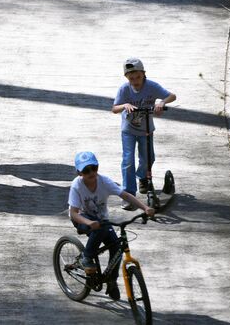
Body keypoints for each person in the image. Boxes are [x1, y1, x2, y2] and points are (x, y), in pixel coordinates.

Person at [68, 151, 155, 301]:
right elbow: (74, 213)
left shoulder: (104, 181)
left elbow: (125, 195)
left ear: (97, 167)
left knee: (116, 247)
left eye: (93, 168)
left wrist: (145, 208)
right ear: (79, 172)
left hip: (101, 220)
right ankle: (86, 257)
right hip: (81, 219)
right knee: (99, 227)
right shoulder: (77, 185)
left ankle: (111, 281)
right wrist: (89, 222)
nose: (91, 173)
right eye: (86, 170)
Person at [112, 58, 176, 210]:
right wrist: (124, 105)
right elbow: (114, 109)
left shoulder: (152, 87)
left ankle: (142, 177)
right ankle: (129, 193)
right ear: (127, 78)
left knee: (148, 157)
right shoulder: (124, 89)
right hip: (128, 130)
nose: (135, 81)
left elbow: (172, 96)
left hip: (146, 129)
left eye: (138, 77)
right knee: (128, 160)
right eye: (131, 78)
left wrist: (162, 103)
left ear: (143, 74)